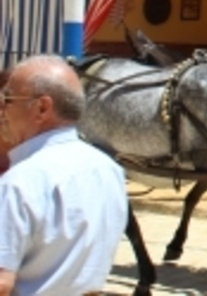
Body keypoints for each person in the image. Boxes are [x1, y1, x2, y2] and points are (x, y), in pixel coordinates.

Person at [0, 55, 127, 295]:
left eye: (7, 99)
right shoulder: (109, 170)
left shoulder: (19, 182)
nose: (2, 110)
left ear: (41, 108)